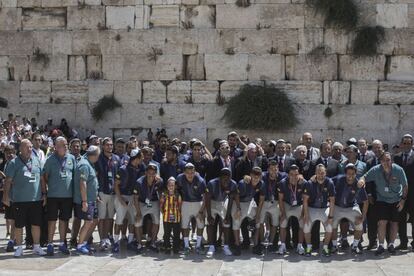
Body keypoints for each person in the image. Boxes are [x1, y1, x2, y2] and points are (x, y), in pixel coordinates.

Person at [2, 139, 46, 257]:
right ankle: (19, 248)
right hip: (19, 200)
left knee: (36, 224)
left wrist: (44, 194)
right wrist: (5, 197)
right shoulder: (13, 163)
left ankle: (36, 246)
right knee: (18, 225)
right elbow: (8, 181)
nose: (30, 149)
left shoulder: (36, 160)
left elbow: (42, 179)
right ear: (20, 149)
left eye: (31, 147)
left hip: (35, 199)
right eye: (27, 147)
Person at [358, 152, 408, 255]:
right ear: (380, 161)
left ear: (392, 160)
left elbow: (405, 186)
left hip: (396, 199)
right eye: (384, 160)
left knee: (394, 223)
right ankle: (381, 245)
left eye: (388, 160)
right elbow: (364, 177)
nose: (386, 162)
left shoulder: (398, 170)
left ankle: (391, 245)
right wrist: (361, 181)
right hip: (382, 200)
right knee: (382, 222)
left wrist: (403, 200)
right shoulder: (376, 170)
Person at [41, 136, 76, 256]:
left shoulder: (71, 158)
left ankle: (62, 243)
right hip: (53, 195)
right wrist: (45, 192)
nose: (66, 147)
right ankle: (50, 244)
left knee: (64, 220)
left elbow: (74, 175)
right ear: (56, 147)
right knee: (52, 220)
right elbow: (44, 177)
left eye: (66, 144)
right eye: (63, 145)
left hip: (67, 196)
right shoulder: (50, 160)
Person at [112, 149, 145, 253]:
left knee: (132, 220)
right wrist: (120, 199)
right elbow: (116, 185)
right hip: (122, 197)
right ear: (137, 158)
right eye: (141, 157)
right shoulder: (123, 169)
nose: (143, 159)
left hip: (132, 198)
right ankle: (116, 242)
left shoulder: (139, 168)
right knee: (119, 220)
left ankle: (130, 242)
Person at [331, 164, 368, 254]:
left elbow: (366, 202)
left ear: (356, 174)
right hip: (337, 206)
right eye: (348, 173)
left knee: (360, 224)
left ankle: (355, 246)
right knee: (332, 224)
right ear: (345, 174)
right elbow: (326, 180)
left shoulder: (359, 184)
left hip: (351, 206)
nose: (350, 176)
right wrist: (315, 177)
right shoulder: (339, 179)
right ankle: (334, 245)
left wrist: (363, 217)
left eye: (353, 174)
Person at [303, 164, 335, 257]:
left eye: (322, 173)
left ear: (325, 173)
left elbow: (332, 200)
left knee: (329, 227)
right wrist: (306, 215)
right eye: (319, 173)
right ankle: (308, 247)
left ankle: (325, 247)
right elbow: (305, 200)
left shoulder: (329, 182)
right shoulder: (310, 183)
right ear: (315, 173)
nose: (321, 175)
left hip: (324, 208)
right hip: (312, 208)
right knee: (306, 226)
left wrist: (331, 216)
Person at [73, 145, 100, 255]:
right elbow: (82, 183)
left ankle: (83, 242)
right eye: (98, 155)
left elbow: (90, 182)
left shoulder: (89, 163)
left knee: (92, 221)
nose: (98, 157)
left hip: (90, 199)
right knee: (88, 222)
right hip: (85, 200)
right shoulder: (84, 165)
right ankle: (80, 245)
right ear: (93, 155)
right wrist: (84, 201)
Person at [176, 163, 207, 255]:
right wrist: (178, 204)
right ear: (184, 172)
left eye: (192, 172)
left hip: (198, 202)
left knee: (200, 224)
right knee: (184, 224)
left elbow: (205, 197)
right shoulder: (179, 178)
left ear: (195, 172)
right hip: (185, 201)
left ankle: (198, 245)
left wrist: (202, 210)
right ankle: (186, 245)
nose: (190, 175)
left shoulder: (200, 181)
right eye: (188, 173)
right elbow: (177, 190)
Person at [95, 138, 120, 250]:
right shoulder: (98, 158)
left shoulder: (116, 158)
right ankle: (102, 239)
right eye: (107, 145)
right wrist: (95, 192)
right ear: (103, 146)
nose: (110, 147)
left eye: (111, 145)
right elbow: (95, 176)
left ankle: (107, 238)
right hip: (102, 190)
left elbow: (119, 176)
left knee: (110, 217)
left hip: (113, 192)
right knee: (102, 217)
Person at [206, 168, 237, 257]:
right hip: (212, 202)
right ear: (220, 178)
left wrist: (227, 215)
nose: (226, 181)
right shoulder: (212, 184)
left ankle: (226, 246)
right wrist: (209, 215)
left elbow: (231, 199)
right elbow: (207, 199)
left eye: (228, 178)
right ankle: (211, 246)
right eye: (224, 178)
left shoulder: (233, 184)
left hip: (224, 201)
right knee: (210, 223)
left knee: (226, 223)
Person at [232, 167, 262, 256]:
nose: (256, 178)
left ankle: (256, 245)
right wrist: (238, 209)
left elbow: (261, 199)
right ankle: (237, 245)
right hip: (238, 203)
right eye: (254, 175)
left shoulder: (261, 183)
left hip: (250, 202)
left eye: (258, 176)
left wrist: (258, 213)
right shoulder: (243, 183)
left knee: (257, 222)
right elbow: (236, 195)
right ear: (251, 175)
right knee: (236, 222)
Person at [133, 164, 163, 253]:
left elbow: (161, 193)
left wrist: (161, 205)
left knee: (156, 221)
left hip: (154, 202)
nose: (151, 175)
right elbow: (135, 198)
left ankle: (153, 242)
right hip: (142, 202)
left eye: (153, 173)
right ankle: (139, 244)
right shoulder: (139, 182)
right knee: (138, 222)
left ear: (156, 173)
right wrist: (138, 211)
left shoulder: (159, 181)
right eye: (149, 173)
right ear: (145, 173)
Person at [278, 165, 306, 255]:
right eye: (291, 174)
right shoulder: (282, 183)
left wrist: (303, 213)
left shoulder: (303, 182)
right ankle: (283, 245)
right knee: (283, 222)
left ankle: (300, 245)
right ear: (288, 175)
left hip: (298, 205)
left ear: (299, 174)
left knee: (302, 223)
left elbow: (305, 199)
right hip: (286, 204)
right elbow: (280, 199)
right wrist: (283, 213)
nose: (294, 177)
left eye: (296, 174)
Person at [160, 177, 182, 254]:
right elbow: (161, 205)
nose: (171, 187)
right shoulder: (164, 195)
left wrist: (178, 213)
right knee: (167, 233)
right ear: (167, 186)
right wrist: (164, 213)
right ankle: (167, 247)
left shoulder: (178, 195)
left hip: (176, 217)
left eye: (172, 185)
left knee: (176, 233)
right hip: (166, 217)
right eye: (169, 185)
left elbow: (180, 205)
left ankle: (176, 248)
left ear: (175, 186)